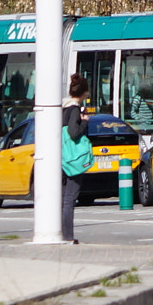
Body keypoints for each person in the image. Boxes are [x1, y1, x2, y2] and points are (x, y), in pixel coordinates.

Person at [61, 73, 91, 243]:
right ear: (84, 93)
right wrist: (85, 121)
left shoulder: (62, 108)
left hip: (61, 157)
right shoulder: (73, 109)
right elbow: (74, 132)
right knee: (69, 199)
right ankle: (67, 236)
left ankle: (61, 233)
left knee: (62, 196)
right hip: (72, 159)